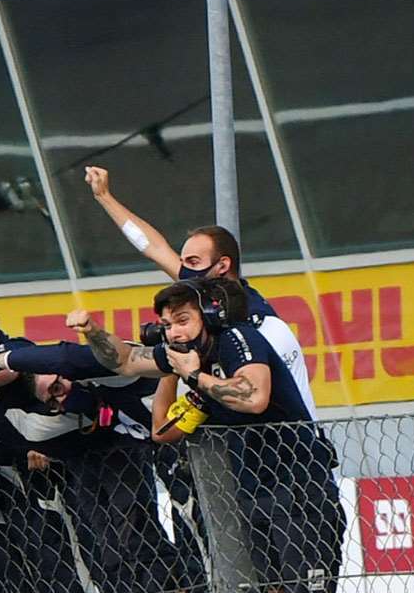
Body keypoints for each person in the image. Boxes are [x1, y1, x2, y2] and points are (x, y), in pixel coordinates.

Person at [135, 280, 350, 593]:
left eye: (183, 319)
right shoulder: (192, 369)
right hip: (251, 491)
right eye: (167, 323)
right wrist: (171, 369)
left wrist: (200, 376)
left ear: (207, 316)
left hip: (299, 481)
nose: (174, 329)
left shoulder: (239, 340)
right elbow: (162, 430)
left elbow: (253, 398)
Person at [78, 167, 316, 416]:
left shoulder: (253, 318)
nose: (183, 274)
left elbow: (256, 396)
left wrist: (195, 375)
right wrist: (104, 197)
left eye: (192, 263)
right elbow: (154, 247)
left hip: (294, 437)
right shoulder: (205, 301)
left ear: (222, 266)